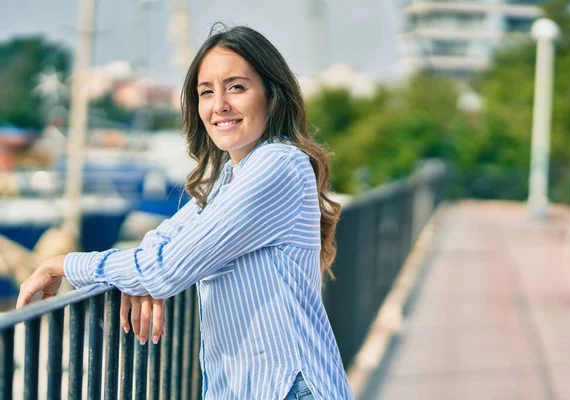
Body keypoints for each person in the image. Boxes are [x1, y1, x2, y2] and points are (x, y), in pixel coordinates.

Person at [17, 25, 354, 399]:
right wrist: (138, 278)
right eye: (206, 92)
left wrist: (62, 264)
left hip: (288, 386)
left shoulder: (277, 165)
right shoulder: (230, 176)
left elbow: (166, 268)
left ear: (272, 97)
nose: (219, 104)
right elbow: (164, 240)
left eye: (237, 87)